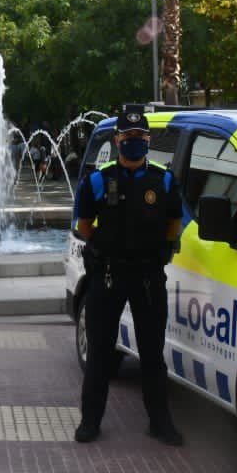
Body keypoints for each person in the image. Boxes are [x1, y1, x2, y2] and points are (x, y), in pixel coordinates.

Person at [73, 105, 185, 446]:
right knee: (100, 352)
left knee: (152, 353)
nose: (133, 142)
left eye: (140, 137)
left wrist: (159, 250)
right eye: (127, 137)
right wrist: (106, 247)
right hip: (107, 275)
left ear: (148, 141)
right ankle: (91, 421)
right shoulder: (97, 180)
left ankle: (159, 422)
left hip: (149, 277)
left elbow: (174, 223)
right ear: (117, 140)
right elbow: (83, 225)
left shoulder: (164, 180)